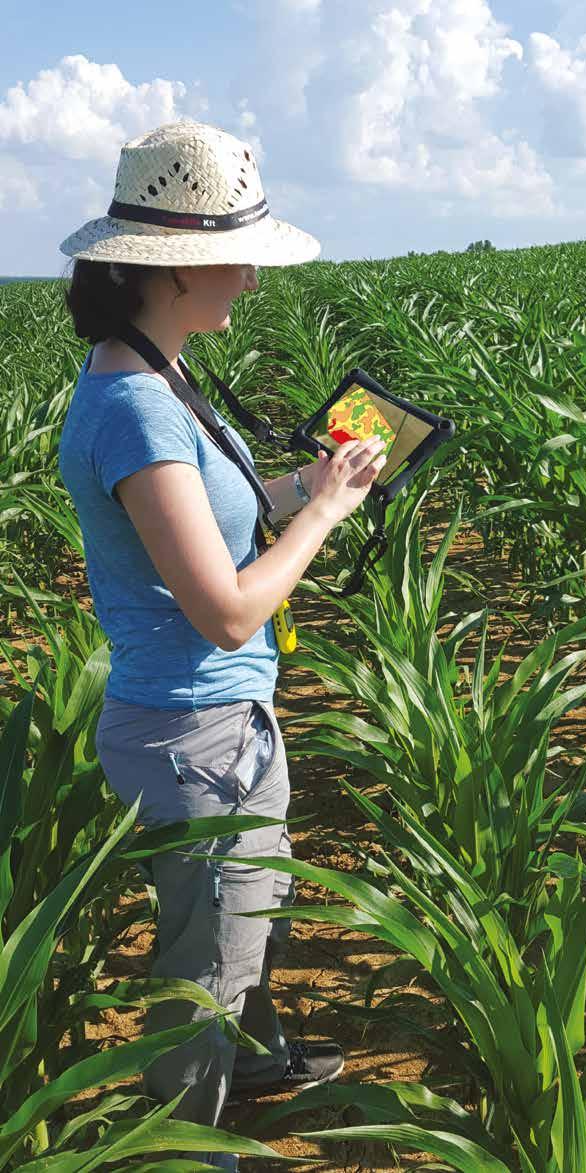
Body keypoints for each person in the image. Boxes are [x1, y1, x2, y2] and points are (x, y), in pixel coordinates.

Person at [57, 119, 387, 1170]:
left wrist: (312, 486)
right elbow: (229, 608)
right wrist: (323, 518)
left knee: (251, 917)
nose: (250, 277)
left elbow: (227, 515)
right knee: (204, 963)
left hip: (222, 719)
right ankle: (185, 1148)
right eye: (238, 255)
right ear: (178, 263)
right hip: (192, 735)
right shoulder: (137, 412)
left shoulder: (163, 376)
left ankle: (249, 1063)